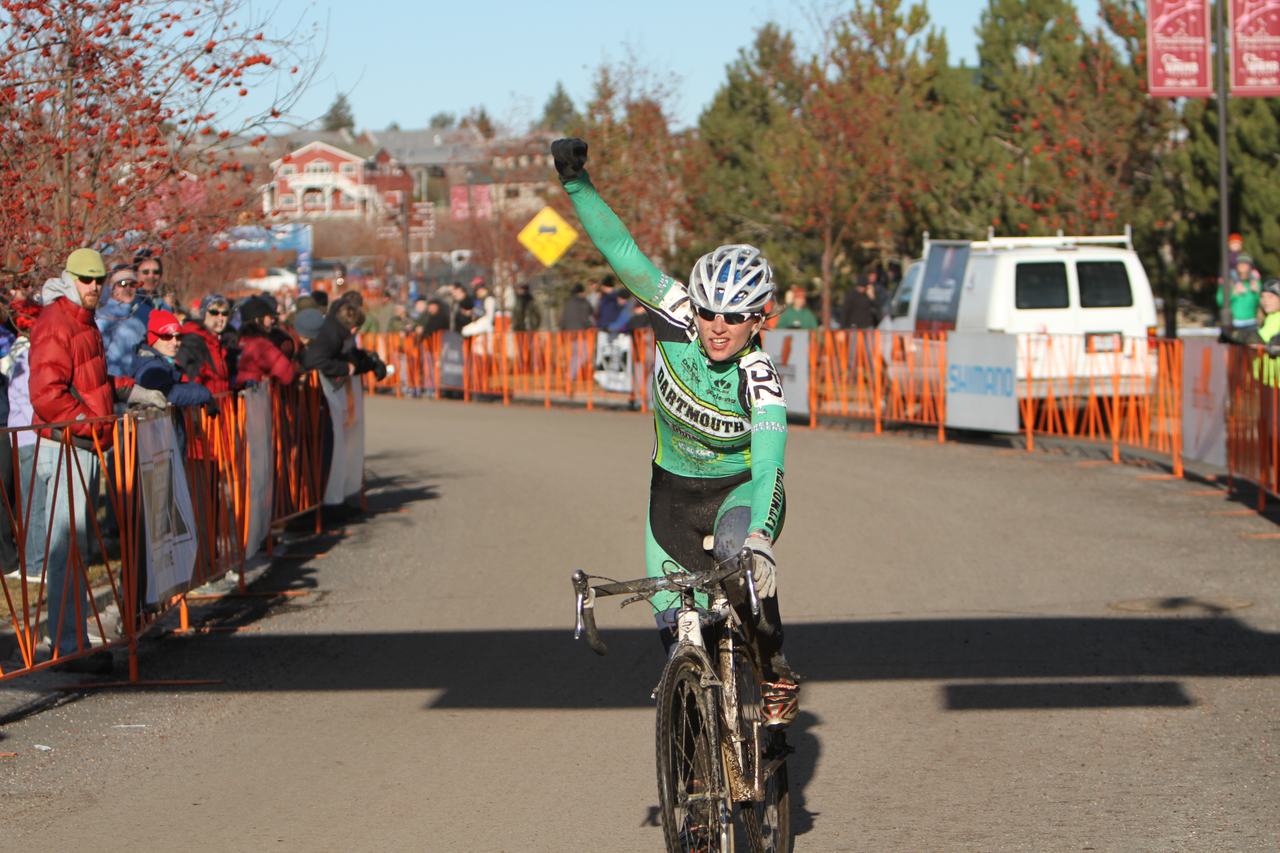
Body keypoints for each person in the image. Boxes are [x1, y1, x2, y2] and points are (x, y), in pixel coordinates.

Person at [553, 137, 798, 727]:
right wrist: (576, 183)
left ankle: (773, 671)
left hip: (741, 493)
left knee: (741, 569)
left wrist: (763, 535)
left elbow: (768, 466)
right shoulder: (672, 310)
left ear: (760, 318)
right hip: (672, 495)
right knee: (676, 636)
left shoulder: (758, 376)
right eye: (710, 311)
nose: (717, 327)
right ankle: (693, 765)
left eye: (736, 317)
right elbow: (619, 248)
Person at [30, 249, 139, 673]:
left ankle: (70, 638)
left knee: (77, 547)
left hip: (83, 443)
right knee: (66, 548)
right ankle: (64, 644)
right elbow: (46, 394)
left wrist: (128, 390)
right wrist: (90, 425)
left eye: (99, 280)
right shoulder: (56, 322)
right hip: (66, 446)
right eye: (86, 280)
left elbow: (89, 380)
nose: (94, 287)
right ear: (69, 278)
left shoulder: (82, 320)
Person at [4, 300, 46, 585]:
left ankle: (36, 560)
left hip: (30, 433)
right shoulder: (24, 355)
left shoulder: (27, 352)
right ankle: (34, 563)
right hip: (27, 434)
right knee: (34, 502)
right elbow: (27, 397)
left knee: (34, 501)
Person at [134, 310, 214, 409]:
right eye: (167, 336)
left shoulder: (165, 362)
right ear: (153, 338)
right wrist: (204, 394)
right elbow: (169, 394)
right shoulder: (150, 366)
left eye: (178, 337)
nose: (175, 342)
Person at [96, 263, 149, 379]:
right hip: (113, 382)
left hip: (134, 384)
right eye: (123, 283)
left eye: (133, 284)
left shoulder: (137, 319)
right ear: (113, 288)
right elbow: (95, 355)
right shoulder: (104, 316)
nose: (128, 288)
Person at [176, 294, 233, 395]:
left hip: (221, 405)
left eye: (224, 313)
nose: (220, 318)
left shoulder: (220, 342)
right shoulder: (193, 341)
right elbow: (188, 380)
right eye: (214, 313)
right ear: (203, 314)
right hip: (203, 407)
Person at [235, 297, 296, 387]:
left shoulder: (239, 341)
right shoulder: (261, 346)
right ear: (257, 319)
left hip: (239, 398)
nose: (272, 320)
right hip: (258, 397)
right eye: (269, 317)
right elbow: (286, 374)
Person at [1219, 253, 1262, 335]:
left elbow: (1262, 302)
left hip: (1252, 323)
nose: (1243, 266)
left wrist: (1257, 292)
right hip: (1234, 323)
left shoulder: (1255, 282)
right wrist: (1233, 294)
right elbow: (1220, 300)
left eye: (1246, 264)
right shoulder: (1228, 282)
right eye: (1240, 263)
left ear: (1250, 266)